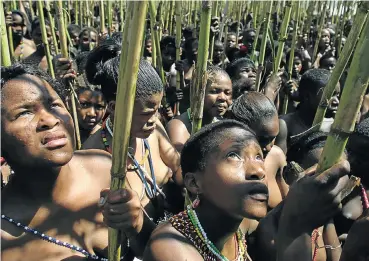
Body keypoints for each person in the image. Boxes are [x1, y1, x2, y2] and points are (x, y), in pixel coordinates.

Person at [142, 120, 351, 261]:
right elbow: (291, 221)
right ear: (195, 183)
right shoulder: (170, 248)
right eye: (234, 156)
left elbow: (286, 212)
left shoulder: (243, 224)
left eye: (259, 156)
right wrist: (296, 227)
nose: (259, 170)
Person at [1, 63, 115, 261]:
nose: (49, 119)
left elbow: (145, 246)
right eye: (24, 112)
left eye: (54, 105)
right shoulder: (5, 235)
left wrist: (137, 225)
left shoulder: (104, 168)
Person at [82, 35, 182, 227]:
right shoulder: (92, 154)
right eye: (147, 113)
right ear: (113, 107)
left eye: (157, 110)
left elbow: (177, 167)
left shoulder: (155, 130)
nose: (154, 120)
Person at [228, 92, 287, 210]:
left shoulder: (276, 156)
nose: (269, 147)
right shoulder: (226, 164)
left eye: (273, 138)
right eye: (263, 140)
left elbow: (288, 204)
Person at [166, 66, 233, 154]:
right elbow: (180, 165)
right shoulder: (179, 126)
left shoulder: (222, 125)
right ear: (198, 93)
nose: (223, 98)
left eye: (227, 93)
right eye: (214, 91)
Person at [277, 69, 340, 152]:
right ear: (307, 96)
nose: (336, 102)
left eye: (337, 95)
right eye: (330, 95)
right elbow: (280, 161)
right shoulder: (285, 125)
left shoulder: (335, 126)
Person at [74, 51, 107, 143]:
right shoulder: (62, 134)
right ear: (70, 102)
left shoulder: (107, 139)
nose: (92, 113)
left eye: (99, 107)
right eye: (84, 105)